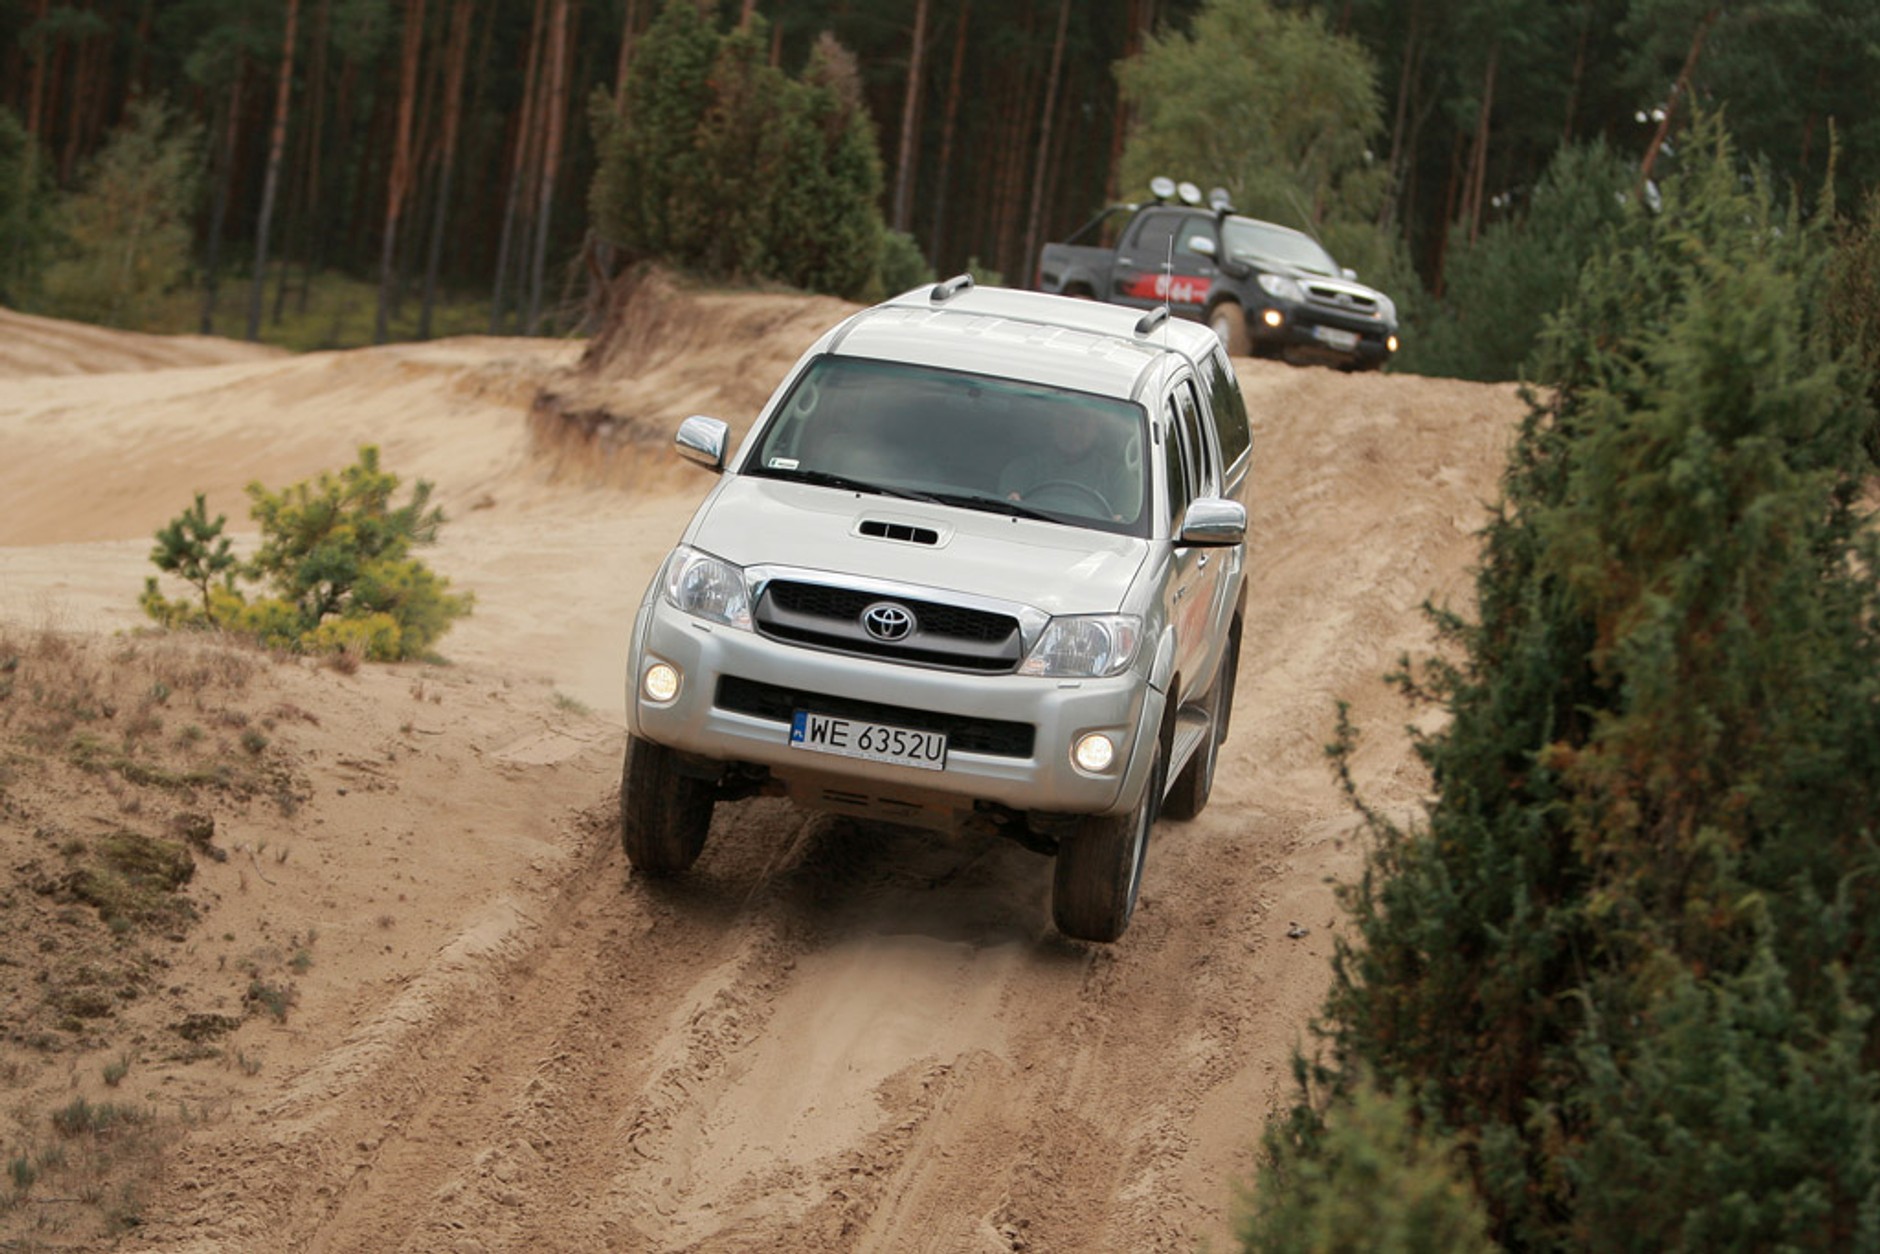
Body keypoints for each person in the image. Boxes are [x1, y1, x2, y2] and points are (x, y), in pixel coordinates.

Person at [999, 408, 1139, 521]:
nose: (1074, 431)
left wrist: (1119, 521)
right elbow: (1006, 515)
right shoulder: (1021, 469)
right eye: (1067, 422)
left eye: (1083, 424)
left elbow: (1126, 530)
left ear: (1097, 429)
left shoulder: (1120, 478)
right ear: (1053, 424)